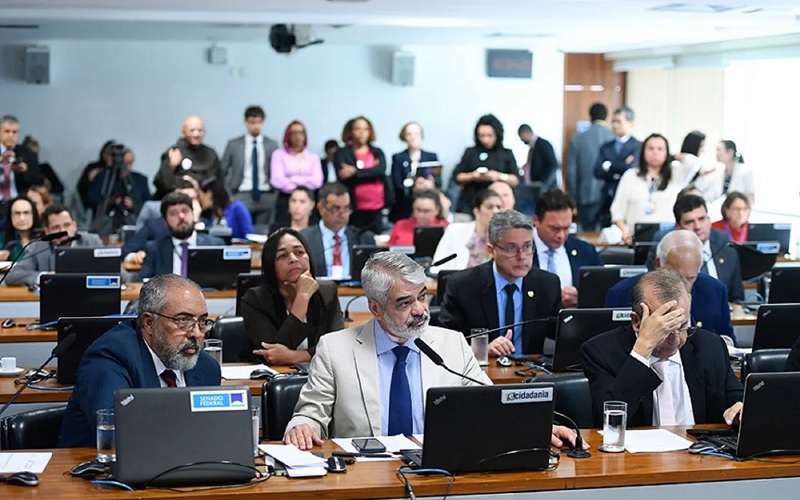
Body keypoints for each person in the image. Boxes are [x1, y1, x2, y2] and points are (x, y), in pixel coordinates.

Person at [283, 251, 582, 450]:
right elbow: (311, 411)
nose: (419, 310)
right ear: (374, 307)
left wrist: (536, 428)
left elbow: (492, 405)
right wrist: (302, 427)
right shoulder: (336, 349)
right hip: (365, 473)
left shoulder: (451, 344)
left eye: (422, 297)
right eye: (404, 302)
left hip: (437, 473)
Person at [58, 274, 221, 447]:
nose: (196, 333)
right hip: (97, 469)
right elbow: (117, 431)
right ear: (149, 323)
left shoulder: (206, 367)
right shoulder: (110, 356)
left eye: (202, 321)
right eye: (183, 320)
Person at [581, 269, 743, 428]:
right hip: (637, 454)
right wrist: (642, 351)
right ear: (637, 321)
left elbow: (736, 398)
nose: (676, 339)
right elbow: (610, 421)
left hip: (699, 451)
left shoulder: (710, 346)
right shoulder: (600, 352)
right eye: (665, 330)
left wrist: (739, 407)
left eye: (682, 326)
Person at [439, 210, 563, 356]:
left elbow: (562, 334)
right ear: (491, 250)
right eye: (512, 248)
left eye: (527, 247)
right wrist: (482, 350)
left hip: (532, 374)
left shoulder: (547, 284)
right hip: (481, 373)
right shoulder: (463, 286)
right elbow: (445, 344)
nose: (521, 256)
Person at [605, 230, 735, 344]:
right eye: (676, 276)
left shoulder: (716, 290)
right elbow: (612, 349)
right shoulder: (622, 294)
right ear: (658, 264)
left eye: (690, 278)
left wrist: (723, 343)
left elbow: (729, 337)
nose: (682, 285)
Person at [240, 228, 344, 365]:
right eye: (282, 256)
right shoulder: (255, 300)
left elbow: (338, 347)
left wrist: (294, 357)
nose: (293, 259)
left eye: (299, 252)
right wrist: (303, 296)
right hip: (275, 380)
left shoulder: (327, 291)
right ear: (271, 266)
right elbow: (273, 355)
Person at [645, 194, 745, 303]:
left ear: (709, 220)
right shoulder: (664, 254)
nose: (698, 226)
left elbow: (738, 299)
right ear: (678, 227)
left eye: (702, 219)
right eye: (690, 222)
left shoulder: (727, 252)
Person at [610, 133, 701, 245]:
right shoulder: (630, 175)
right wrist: (624, 232)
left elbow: (695, 163)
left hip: (668, 238)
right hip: (635, 238)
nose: (655, 152)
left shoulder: (675, 174)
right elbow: (617, 211)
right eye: (651, 148)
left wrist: (675, 156)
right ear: (643, 151)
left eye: (660, 149)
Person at [532, 190, 602, 308]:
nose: (561, 235)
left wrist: (580, 297)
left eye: (566, 228)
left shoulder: (586, 251)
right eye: (554, 228)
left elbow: (600, 292)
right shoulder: (521, 252)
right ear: (537, 221)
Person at [5, 204, 103, 287]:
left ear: (74, 226)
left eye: (67, 225)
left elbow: (113, 273)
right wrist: (45, 276)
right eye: (56, 227)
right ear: (47, 231)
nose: (63, 231)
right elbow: (12, 276)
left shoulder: (92, 241)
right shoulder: (38, 247)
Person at [139, 192, 225, 279]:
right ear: (165, 221)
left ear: (193, 214)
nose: (181, 216)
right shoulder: (154, 249)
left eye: (185, 211)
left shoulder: (215, 245)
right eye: (174, 213)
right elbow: (143, 282)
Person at [300, 182, 375, 278]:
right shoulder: (304, 239)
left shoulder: (363, 238)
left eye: (346, 208)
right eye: (336, 208)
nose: (342, 214)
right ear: (321, 208)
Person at [220, 106, 280, 225]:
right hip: (241, 193)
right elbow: (222, 171)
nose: (256, 126)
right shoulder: (234, 144)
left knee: (265, 233)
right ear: (246, 122)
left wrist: (274, 195)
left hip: (266, 194)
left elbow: (276, 170)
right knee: (241, 233)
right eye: (252, 122)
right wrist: (229, 195)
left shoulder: (272, 145)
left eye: (259, 122)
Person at [452, 114, 519, 214]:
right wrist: (473, 176)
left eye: (489, 136)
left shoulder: (505, 154)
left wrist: (499, 176)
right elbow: (458, 176)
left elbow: (515, 180)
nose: (485, 140)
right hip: (470, 201)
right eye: (482, 136)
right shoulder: (470, 152)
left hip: (497, 205)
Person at [123, 178, 200, 265]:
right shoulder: (155, 226)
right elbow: (128, 250)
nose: (181, 215)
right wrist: (138, 256)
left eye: (193, 199)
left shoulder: (207, 223)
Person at [334, 116, 387, 235]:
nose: (362, 132)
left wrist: (355, 172)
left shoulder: (377, 152)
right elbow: (344, 176)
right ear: (351, 132)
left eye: (365, 129)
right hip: (353, 208)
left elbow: (380, 171)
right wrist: (370, 171)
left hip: (376, 207)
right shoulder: (342, 153)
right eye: (357, 129)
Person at [566, 103, 615, 231]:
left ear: (590, 116)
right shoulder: (614, 138)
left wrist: (574, 195)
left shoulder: (577, 139)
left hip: (585, 195)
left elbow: (571, 171)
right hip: (610, 196)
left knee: (587, 233)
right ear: (606, 117)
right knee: (608, 235)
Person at [430, 189, 503, 274]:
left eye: (499, 207)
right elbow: (437, 266)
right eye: (489, 207)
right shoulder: (455, 231)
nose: (495, 211)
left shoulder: (506, 237)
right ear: (477, 211)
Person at [593, 106, 642, 228]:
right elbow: (597, 171)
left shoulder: (638, 146)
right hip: (607, 198)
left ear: (630, 123)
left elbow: (631, 169)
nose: (615, 125)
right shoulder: (606, 146)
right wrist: (620, 167)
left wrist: (609, 166)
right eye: (613, 121)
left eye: (619, 122)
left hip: (628, 198)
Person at [270, 120, 324, 228]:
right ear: (288, 135)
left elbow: (317, 181)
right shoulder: (278, 155)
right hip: (285, 199)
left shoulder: (313, 157)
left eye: (301, 133)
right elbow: (277, 180)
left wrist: (291, 179)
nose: (297, 136)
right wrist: (306, 180)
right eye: (294, 133)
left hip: (309, 198)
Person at [154, 115, 222, 200]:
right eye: (192, 130)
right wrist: (171, 166)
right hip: (176, 199)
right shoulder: (174, 152)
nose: (196, 134)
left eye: (200, 130)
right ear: (184, 132)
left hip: (205, 200)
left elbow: (219, 180)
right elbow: (161, 182)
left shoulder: (211, 153)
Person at [389, 122, 440, 222]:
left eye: (416, 134)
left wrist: (430, 185)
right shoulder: (398, 158)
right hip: (405, 205)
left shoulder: (431, 157)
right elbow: (397, 184)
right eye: (409, 134)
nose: (413, 137)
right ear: (404, 137)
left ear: (422, 136)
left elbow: (438, 182)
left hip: (428, 202)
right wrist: (413, 188)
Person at [87, 147, 151, 218]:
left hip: (134, 221)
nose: (127, 166)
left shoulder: (140, 180)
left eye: (130, 163)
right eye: (124, 163)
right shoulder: (103, 177)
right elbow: (90, 200)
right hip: (106, 221)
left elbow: (149, 205)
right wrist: (111, 200)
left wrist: (134, 204)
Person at [695, 140, 754, 205]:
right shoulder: (717, 171)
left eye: (718, 150)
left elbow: (750, 195)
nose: (716, 153)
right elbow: (707, 191)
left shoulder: (745, 171)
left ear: (730, 152)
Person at [0, 115, 44, 202]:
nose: (10, 135)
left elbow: (39, 180)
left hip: (18, 201)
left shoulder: (28, 154)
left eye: (14, 132)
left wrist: (26, 171)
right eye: (7, 131)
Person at [518, 123, 559, 190]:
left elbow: (553, 165)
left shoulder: (543, 145)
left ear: (524, 134)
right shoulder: (533, 148)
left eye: (521, 137)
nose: (521, 140)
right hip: (534, 186)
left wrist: (544, 185)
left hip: (544, 188)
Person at [76, 140, 113, 212]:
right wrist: (89, 179)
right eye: (107, 153)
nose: (109, 156)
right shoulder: (93, 167)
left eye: (112, 154)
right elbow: (80, 187)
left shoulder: (119, 170)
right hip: (94, 204)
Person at [0, 195, 40, 261]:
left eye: (26, 213)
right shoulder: (1, 238)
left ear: (34, 215)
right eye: (17, 213)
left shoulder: (44, 239)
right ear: (10, 216)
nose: (22, 218)